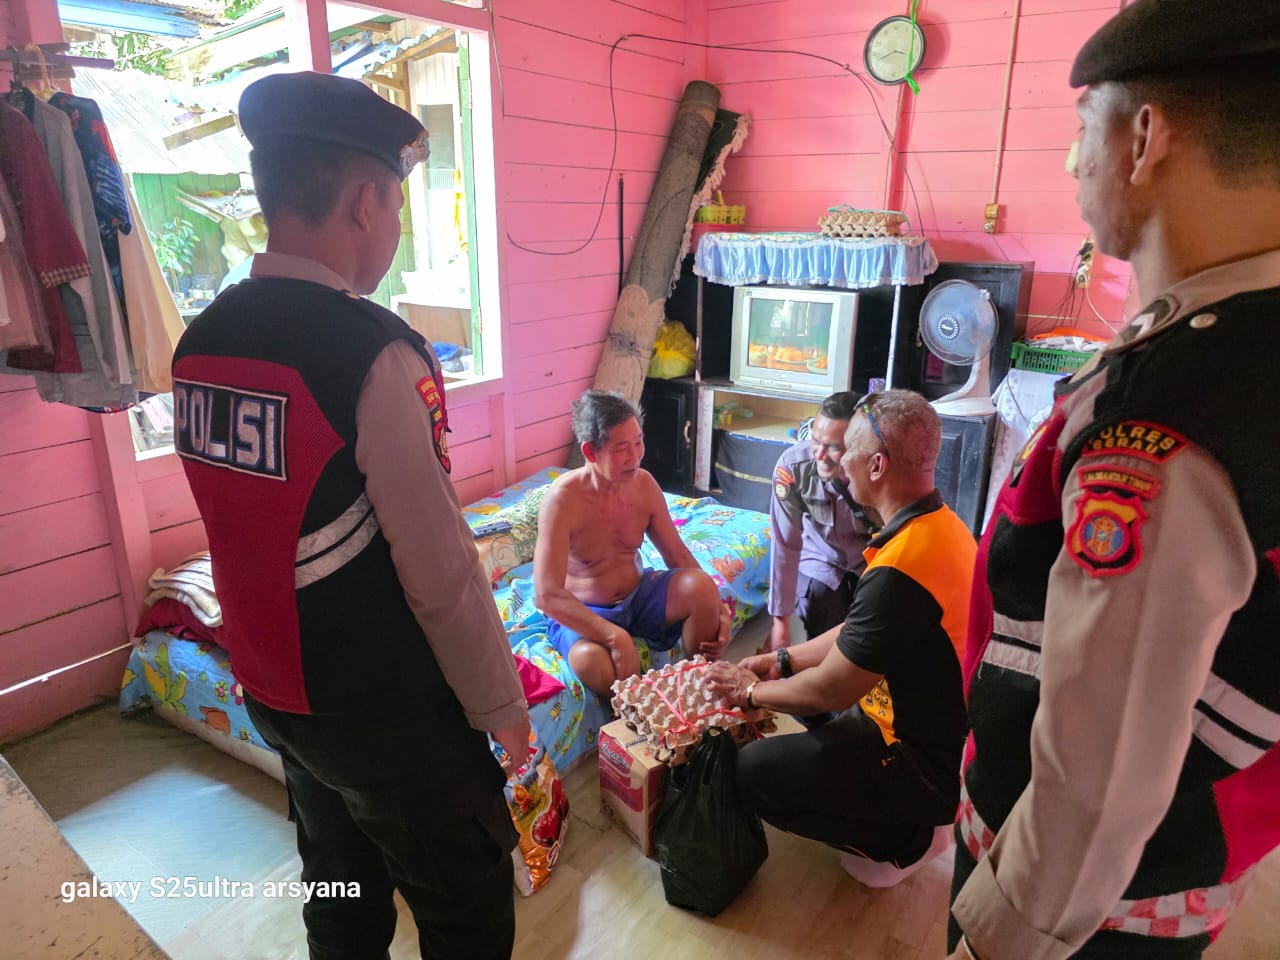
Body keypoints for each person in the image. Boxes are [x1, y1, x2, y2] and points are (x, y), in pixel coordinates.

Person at [171, 72, 530, 960]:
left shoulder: (199, 342)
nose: (394, 228)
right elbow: (439, 568)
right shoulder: (372, 354)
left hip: (273, 688)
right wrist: (500, 704)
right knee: (466, 910)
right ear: (366, 201)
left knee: (338, 893)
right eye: (397, 206)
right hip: (384, 712)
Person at [947, 5, 1280, 959]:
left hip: (1085, 910)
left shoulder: (1171, 412)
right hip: (1177, 861)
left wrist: (1001, 940)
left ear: (1145, 137)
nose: (1071, 162)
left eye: (1082, 124)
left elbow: (1101, 767)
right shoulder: (1243, 345)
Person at [708, 390, 976, 887]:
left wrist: (750, 691)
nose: (840, 461)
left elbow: (831, 689)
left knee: (751, 772)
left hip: (918, 759)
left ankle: (909, 839)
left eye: (849, 448)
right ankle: (897, 809)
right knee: (799, 692)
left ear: (876, 465)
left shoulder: (902, 568)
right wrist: (783, 660)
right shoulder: (940, 527)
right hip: (919, 728)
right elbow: (857, 628)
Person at [533, 390, 731, 695]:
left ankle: (699, 686)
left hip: (639, 597)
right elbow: (547, 595)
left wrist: (718, 608)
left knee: (701, 588)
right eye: (621, 448)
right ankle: (641, 711)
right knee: (589, 662)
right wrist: (613, 636)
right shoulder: (562, 502)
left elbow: (677, 554)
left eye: (638, 442)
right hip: (588, 612)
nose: (635, 457)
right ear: (590, 452)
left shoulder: (644, 485)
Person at [765, 390, 874, 655]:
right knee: (820, 609)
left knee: (873, 629)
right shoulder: (794, 467)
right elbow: (785, 543)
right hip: (822, 557)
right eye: (816, 440)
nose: (819, 454)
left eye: (833, 447)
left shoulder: (877, 468)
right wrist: (780, 622)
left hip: (872, 559)